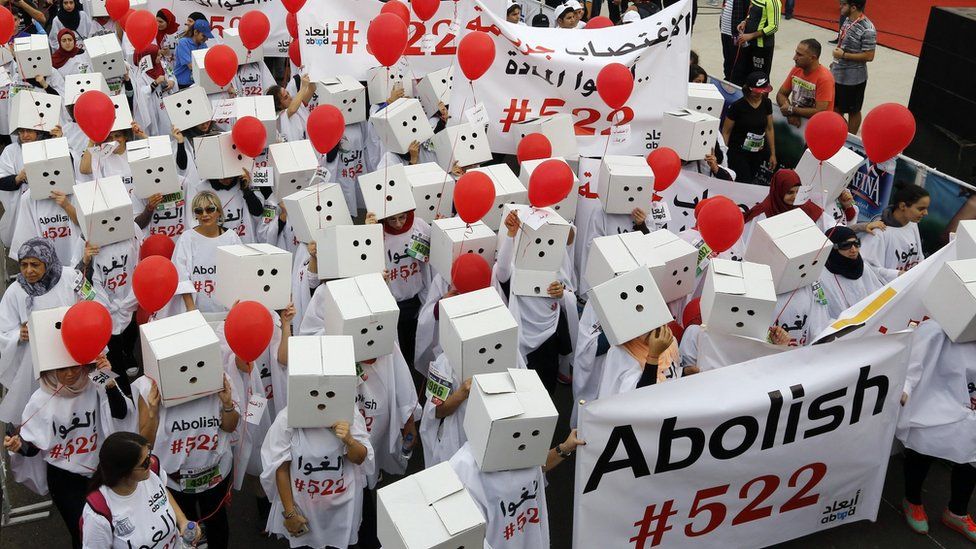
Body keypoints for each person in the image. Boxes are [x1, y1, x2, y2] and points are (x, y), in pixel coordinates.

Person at [4, 357, 133, 549]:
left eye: (75, 367)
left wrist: (109, 381)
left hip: (102, 472)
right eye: (62, 369)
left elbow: (121, 414)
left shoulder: (96, 383)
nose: (70, 374)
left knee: (115, 525)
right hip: (65, 479)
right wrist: (18, 446)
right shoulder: (40, 399)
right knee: (81, 530)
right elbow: (33, 445)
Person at [134, 372, 239, 549]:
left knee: (216, 523)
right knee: (184, 527)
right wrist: (153, 413)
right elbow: (145, 443)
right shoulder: (149, 386)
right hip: (174, 481)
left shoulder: (215, 374)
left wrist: (228, 404)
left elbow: (230, 427)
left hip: (215, 474)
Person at [898, 319, 976, 542]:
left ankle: (957, 512)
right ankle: (912, 500)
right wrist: (905, 386)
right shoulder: (937, 328)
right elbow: (914, 358)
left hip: (970, 402)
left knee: (972, 455)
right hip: (937, 397)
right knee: (925, 444)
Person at [260, 407, 373, 548]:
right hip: (305, 510)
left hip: (343, 507)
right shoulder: (287, 418)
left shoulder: (349, 413)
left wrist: (349, 440)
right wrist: (290, 514)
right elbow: (281, 470)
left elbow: (359, 458)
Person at [0, 239, 83, 423]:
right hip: (35, 363)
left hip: (71, 354)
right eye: (23, 265)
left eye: (35, 264)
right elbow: (3, 328)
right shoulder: (15, 291)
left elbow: (92, 302)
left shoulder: (71, 277)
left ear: (48, 261)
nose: (28, 270)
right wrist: (18, 335)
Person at [80, 432, 201, 548]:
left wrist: (183, 521)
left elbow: (162, 490)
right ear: (123, 472)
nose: (151, 461)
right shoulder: (98, 514)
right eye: (145, 462)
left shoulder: (152, 471)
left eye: (149, 455)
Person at [365, 210, 431, 370]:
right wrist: (368, 232)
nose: (398, 223)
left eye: (402, 217)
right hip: (392, 301)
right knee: (397, 347)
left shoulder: (419, 225)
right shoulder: (377, 232)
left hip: (416, 297)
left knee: (415, 341)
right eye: (392, 219)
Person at [172, 191, 244, 313]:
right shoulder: (187, 238)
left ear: (219, 211)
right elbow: (181, 276)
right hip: (195, 310)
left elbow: (240, 273)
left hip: (226, 310)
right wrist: (191, 308)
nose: (204, 214)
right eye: (199, 211)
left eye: (210, 209)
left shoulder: (231, 238)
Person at [859, 183, 929, 282]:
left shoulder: (912, 224)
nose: (926, 213)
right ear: (903, 206)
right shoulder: (878, 233)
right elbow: (866, 269)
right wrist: (897, 275)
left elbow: (919, 257)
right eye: (921, 209)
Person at [817, 226, 884, 318]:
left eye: (856, 243)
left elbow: (878, 295)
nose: (854, 249)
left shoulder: (862, 266)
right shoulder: (821, 276)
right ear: (833, 248)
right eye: (846, 245)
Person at [597, 325, 681, 397]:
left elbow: (672, 373)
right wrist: (653, 356)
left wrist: (684, 371)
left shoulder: (668, 341)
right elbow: (639, 397)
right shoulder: (621, 352)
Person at [830, 0, 876, 134]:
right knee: (835, 108)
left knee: (853, 110)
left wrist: (844, 55)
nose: (840, 6)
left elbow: (869, 56)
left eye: (843, 4)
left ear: (854, 7)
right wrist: (836, 62)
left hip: (854, 79)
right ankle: (837, 134)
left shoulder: (868, 29)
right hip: (837, 73)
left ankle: (850, 139)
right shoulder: (848, 20)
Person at [722, 71, 776, 184]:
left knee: (750, 179)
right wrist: (724, 154)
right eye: (756, 91)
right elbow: (726, 132)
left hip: (757, 153)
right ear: (749, 89)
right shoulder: (737, 106)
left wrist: (772, 154)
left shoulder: (767, 103)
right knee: (743, 180)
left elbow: (769, 128)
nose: (759, 94)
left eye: (762, 91)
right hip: (738, 152)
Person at [776, 39, 835, 128]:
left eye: (799, 55)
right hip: (798, 125)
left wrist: (792, 110)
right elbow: (781, 94)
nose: (794, 58)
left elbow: (820, 111)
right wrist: (790, 113)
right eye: (796, 53)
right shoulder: (797, 69)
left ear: (813, 58)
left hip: (817, 127)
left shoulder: (825, 79)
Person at [733, 0, 781, 85]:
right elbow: (752, 13)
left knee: (760, 79)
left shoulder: (773, 2)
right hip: (748, 43)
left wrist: (751, 35)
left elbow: (774, 27)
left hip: (761, 47)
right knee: (743, 74)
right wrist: (744, 22)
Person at [174, 19, 213, 89]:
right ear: (195, 32)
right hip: (182, 84)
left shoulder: (203, 45)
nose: (206, 39)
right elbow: (191, 66)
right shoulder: (183, 42)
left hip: (195, 83)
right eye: (204, 36)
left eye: (207, 37)